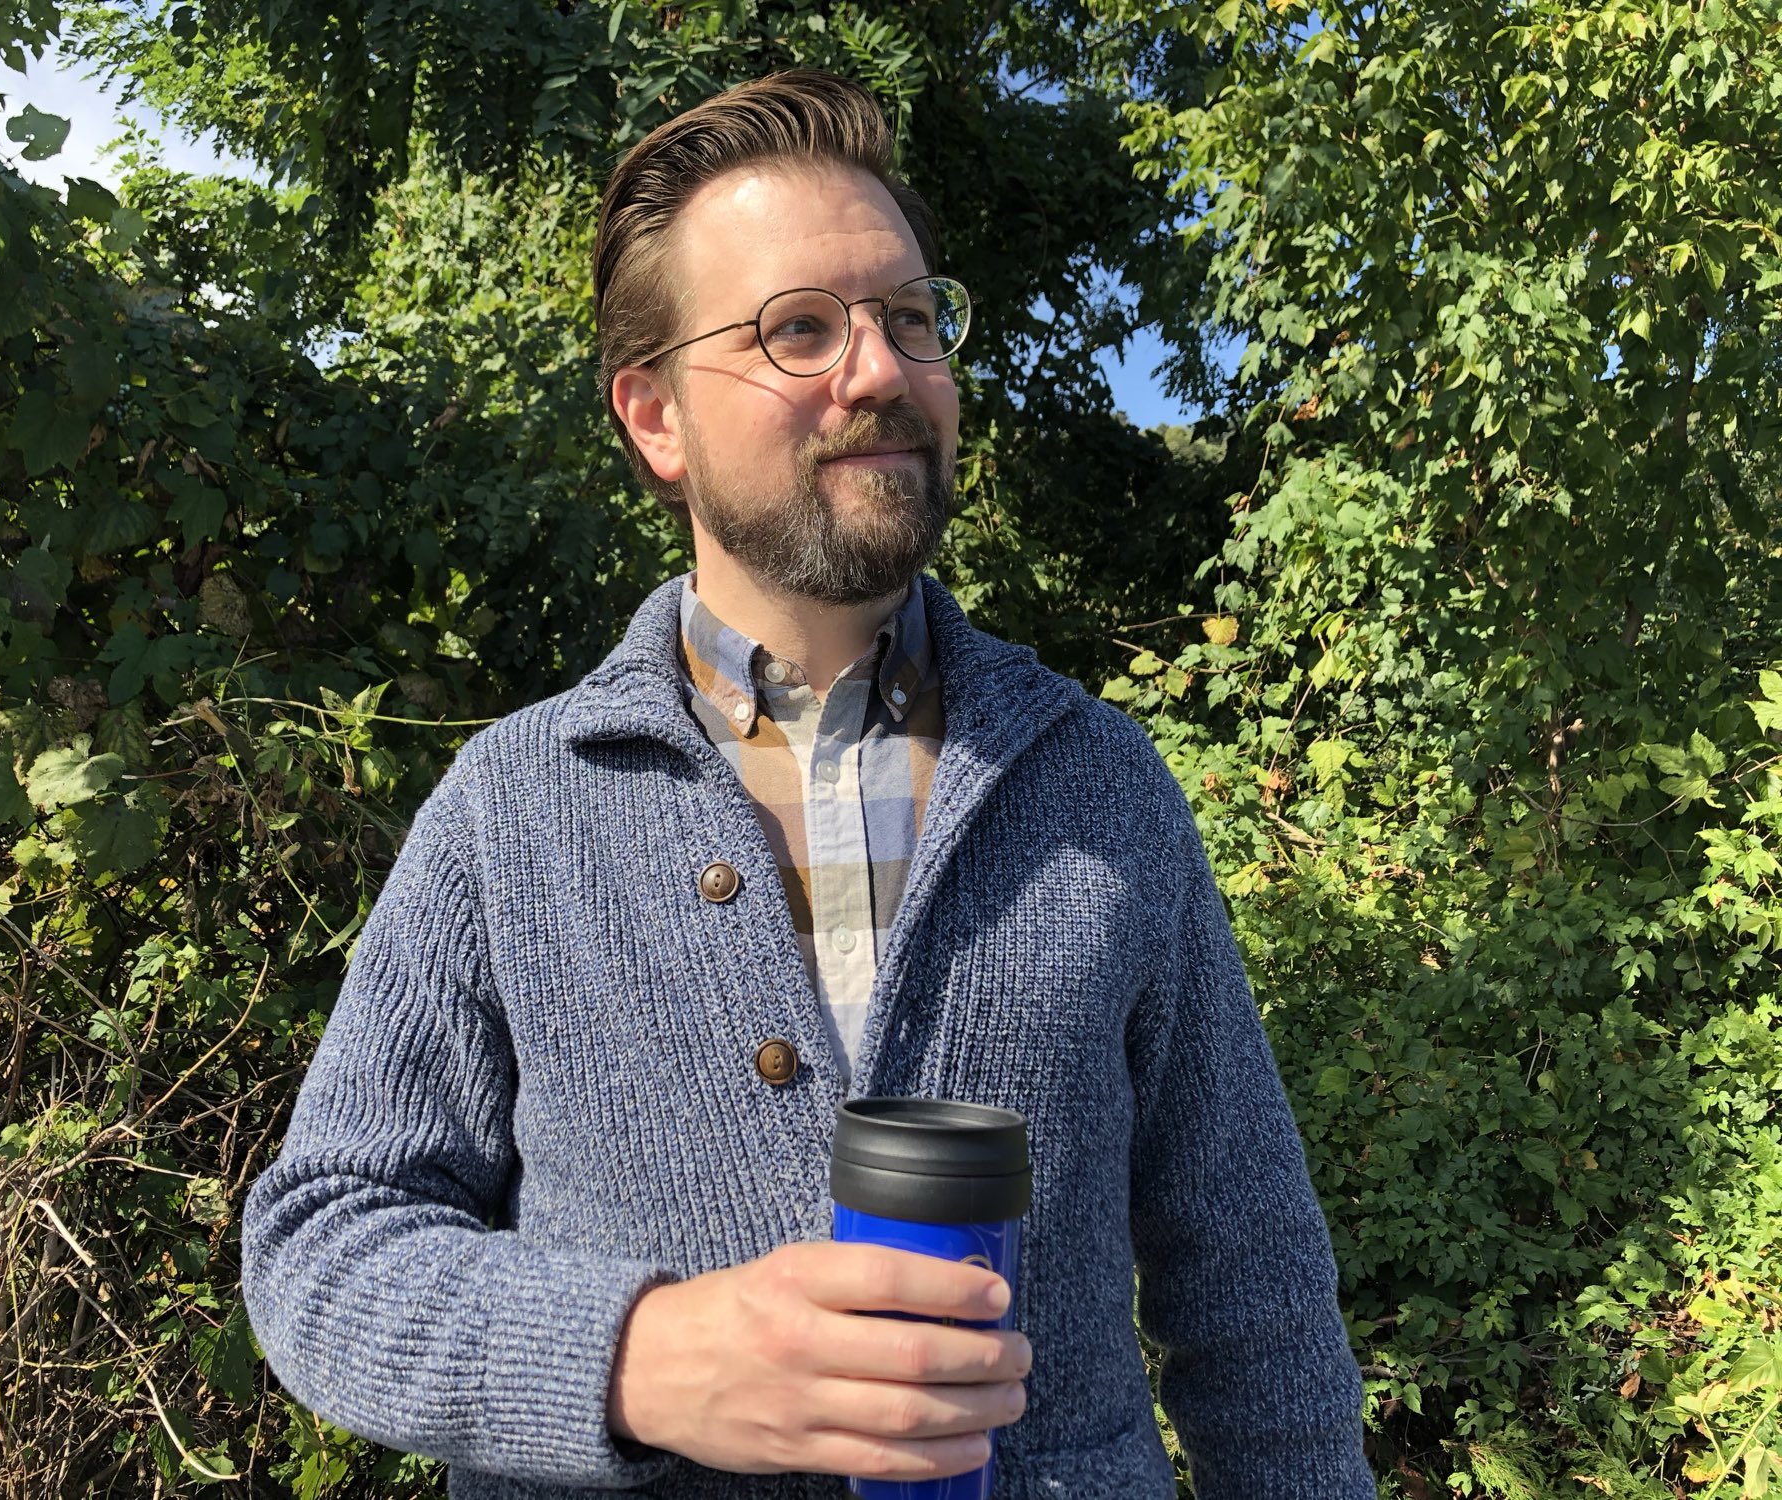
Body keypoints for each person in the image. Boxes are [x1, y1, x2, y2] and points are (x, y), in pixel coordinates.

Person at [241, 69, 1375, 1500]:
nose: (881, 370)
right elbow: (324, 1246)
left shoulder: (1100, 784)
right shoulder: (511, 809)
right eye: (799, 329)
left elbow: (1255, 1288)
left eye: (912, 318)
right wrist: (641, 1357)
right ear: (655, 417)